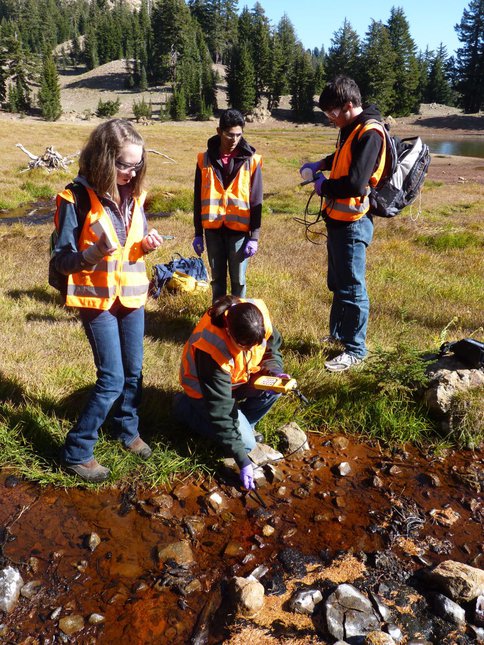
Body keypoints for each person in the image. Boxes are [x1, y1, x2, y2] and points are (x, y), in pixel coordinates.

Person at [52, 118, 164, 482]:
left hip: (130, 296)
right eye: (124, 165)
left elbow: (133, 242)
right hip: (96, 300)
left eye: (137, 165)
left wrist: (145, 245)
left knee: (134, 372)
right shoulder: (75, 199)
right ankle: (77, 450)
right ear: (103, 159)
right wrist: (92, 254)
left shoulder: (135, 194)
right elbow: (61, 262)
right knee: (112, 379)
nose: (132, 173)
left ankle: (126, 430)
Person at [300, 76, 386, 372]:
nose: (330, 119)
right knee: (338, 284)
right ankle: (338, 335)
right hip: (337, 219)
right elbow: (342, 157)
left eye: (332, 113)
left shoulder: (371, 133)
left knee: (352, 286)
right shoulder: (352, 128)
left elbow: (354, 183)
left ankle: (355, 349)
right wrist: (320, 164)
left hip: (353, 223)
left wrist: (324, 187)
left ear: (349, 106)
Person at [173, 296, 286, 490]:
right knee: (246, 446)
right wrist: (242, 460)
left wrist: (274, 370)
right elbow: (221, 411)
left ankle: (244, 429)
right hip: (204, 391)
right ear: (229, 331)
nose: (252, 350)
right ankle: (182, 407)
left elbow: (271, 349)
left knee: (273, 389)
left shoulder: (257, 319)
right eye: (246, 347)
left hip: (238, 379)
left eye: (255, 345)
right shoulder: (211, 346)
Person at [191, 109, 263, 302]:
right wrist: (198, 233)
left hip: (239, 231)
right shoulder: (203, 160)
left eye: (239, 135)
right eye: (229, 134)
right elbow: (198, 198)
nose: (234, 139)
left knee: (238, 280)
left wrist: (254, 236)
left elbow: (257, 200)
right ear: (219, 131)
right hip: (213, 230)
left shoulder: (252, 161)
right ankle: (218, 321)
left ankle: (237, 320)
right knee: (217, 280)